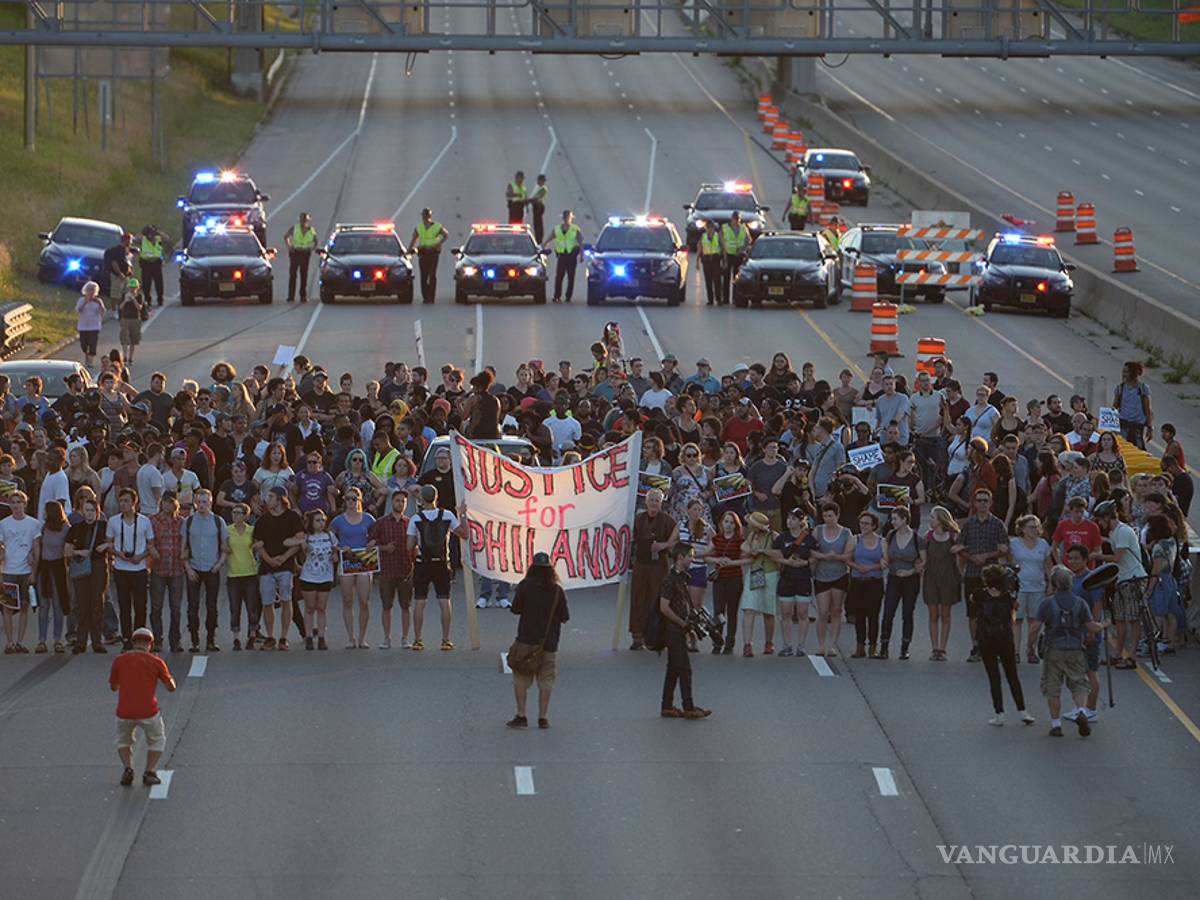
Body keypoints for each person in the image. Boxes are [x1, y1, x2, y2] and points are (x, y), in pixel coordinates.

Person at [1028, 566, 1109, 738]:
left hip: (1054, 650)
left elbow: (1035, 628)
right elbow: (1091, 626)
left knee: (1052, 687)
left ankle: (1056, 724)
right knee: (1079, 683)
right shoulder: (1080, 603)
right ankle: (1081, 710)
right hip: (1075, 649)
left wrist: (1030, 646)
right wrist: (1104, 625)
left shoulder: (1047, 603)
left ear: (1053, 584)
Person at [507, 551, 569, 729]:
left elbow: (516, 609)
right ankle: (543, 717)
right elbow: (564, 617)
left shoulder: (525, 586)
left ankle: (521, 714)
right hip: (549, 643)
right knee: (546, 679)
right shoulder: (557, 591)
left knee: (520, 678)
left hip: (526, 641)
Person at [109, 626, 176, 787]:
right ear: (150, 645)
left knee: (124, 741)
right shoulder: (156, 662)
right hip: (148, 710)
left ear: (133, 643)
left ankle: (128, 769)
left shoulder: (119, 660)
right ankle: (150, 771)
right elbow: (171, 687)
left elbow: (113, 687)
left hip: (124, 711)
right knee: (157, 740)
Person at [406, 484, 468, 651]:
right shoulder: (447, 515)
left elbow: (409, 545)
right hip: (441, 562)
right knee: (444, 600)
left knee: (419, 600)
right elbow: (464, 534)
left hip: (422, 563)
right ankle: (446, 639)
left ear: (421, 499)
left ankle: (418, 639)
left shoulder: (415, 519)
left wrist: (415, 552)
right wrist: (462, 513)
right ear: (436, 497)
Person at [973, 565, 1036, 727]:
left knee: (994, 677)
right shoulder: (1008, 597)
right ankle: (1023, 711)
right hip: (1006, 639)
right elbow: (1015, 608)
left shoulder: (980, 595)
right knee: (1012, 677)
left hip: (986, 640)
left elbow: (972, 600)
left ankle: (999, 713)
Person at [956, 488, 1009, 663]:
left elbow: (1004, 549)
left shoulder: (997, 524)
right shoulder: (969, 525)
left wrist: (987, 556)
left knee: (994, 612)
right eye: (979, 501)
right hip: (972, 573)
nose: (982, 504)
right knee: (973, 613)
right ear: (974, 503)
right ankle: (976, 645)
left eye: (985, 500)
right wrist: (972, 558)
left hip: (992, 575)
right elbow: (958, 548)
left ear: (991, 503)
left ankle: (994, 645)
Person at [659, 544, 712, 720]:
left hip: (679, 629)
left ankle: (666, 706)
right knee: (685, 669)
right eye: (690, 556)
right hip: (673, 630)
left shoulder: (682, 578)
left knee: (673, 669)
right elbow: (664, 607)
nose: (692, 559)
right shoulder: (669, 579)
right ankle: (688, 707)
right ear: (680, 558)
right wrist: (683, 624)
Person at [254, 486, 304, 651]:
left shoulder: (292, 518)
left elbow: (299, 541)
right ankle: (270, 636)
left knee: (286, 599)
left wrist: (284, 557)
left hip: (286, 565)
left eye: (271, 497)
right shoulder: (263, 519)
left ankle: (283, 636)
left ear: (281, 499)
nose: (267, 500)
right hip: (267, 566)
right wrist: (269, 559)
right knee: (267, 602)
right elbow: (257, 543)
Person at [103, 488, 154, 650]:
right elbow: (109, 544)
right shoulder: (114, 521)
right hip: (121, 568)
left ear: (134, 502)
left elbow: (151, 545)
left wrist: (142, 556)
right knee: (124, 607)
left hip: (139, 568)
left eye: (126, 501)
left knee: (140, 606)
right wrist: (118, 553)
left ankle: (140, 640)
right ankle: (126, 639)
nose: (123, 504)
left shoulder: (145, 521)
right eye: (121, 501)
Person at [628, 488, 678, 650]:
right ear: (646, 501)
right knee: (638, 599)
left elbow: (676, 540)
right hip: (641, 564)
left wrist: (664, 545)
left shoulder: (667, 521)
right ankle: (637, 636)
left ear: (661, 503)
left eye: (657, 500)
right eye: (652, 500)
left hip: (659, 566)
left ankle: (655, 637)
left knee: (656, 600)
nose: (654, 503)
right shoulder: (638, 519)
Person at [183, 489, 228, 653]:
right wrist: (187, 568)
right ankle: (194, 639)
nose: (201, 505)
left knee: (211, 605)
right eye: (199, 502)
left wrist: (220, 564)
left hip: (211, 568)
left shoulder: (218, 521)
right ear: (195, 503)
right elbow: (184, 548)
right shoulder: (188, 522)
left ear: (210, 503)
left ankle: (211, 638)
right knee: (192, 605)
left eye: (204, 502)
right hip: (194, 568)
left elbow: (225, 546)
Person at [331, 487, 376, 649]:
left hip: (363, 560)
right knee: (347, 600)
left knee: (364, 600)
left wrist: (372, 542)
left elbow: (376, 534)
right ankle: (351, 637)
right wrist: (338, 549)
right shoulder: (338, 520)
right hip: (347, 561)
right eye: (348, 499)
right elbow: (329, 536)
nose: (350, 502)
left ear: (359, 501)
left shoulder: (368, 518)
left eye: (354, 499)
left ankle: (362, 638)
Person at [65, 497, 109, 654]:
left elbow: (116, 541)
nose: (90, 514)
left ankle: (97, 641)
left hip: (98, 566)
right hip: (81, 566)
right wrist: (79, 552)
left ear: (97, 512)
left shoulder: (104, 527)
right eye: (87, 510)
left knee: (97, 603)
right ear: (82, 512)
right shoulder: (76, 528)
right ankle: (81, 640)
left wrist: (107, 545)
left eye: (92, 510)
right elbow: (67, 550)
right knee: (82, 604)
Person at [370, 490, 414, 649]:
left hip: (405, 569)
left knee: (406, 606)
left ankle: (405, 638)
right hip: (387, 570)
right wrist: (383, 548)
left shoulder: (410, 523)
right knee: (386, 606)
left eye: (403, 501)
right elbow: (371, 544)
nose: (400, 504)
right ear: (391, 502)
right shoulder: (381, 522)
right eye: (397, 501)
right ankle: (387, 638)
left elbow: (416, 543)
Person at [880, 506, 925, 660]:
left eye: (895, 519)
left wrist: (911, 571)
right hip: (894, 578)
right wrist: (883, 561)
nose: (892, 522)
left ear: (904, 519)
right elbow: (885, 555)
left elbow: (923, 562)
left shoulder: (916, 539)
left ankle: (904, 648)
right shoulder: (891, 535)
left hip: (910, 579)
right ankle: (884, 647)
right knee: (888, 612)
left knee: (907, 613)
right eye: (892, 519)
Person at [0, 491, 41, 654]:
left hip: (25, 571)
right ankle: (9, 642)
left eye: (19, 502)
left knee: (24, 606)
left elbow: (37, 549)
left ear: (24, 504)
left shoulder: (33, 524)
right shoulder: (4, 524)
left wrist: (34, 572)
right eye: (13, 503)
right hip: (9, 570)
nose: (16, 506)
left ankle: (20, 641)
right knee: (7, 607)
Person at [1010, 514, 1052, 662]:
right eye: (1031, 527)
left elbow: (1048, 566)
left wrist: (1051, 584)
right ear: (1022, 528)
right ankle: (1015, 652)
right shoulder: (1014, 543)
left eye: (1036, 527)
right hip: (1019, 587)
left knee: (1034, 621)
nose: (1034, 530)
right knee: (1017, 620)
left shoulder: (1043, 544)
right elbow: (1007, 561)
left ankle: (1030, 649)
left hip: (1037, 587)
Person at [148, 492, 186, 654]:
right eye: (165, 502)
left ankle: (175, 640)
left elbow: (186, 542)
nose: (167, 505)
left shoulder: (182, 522)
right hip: (159, 568)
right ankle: (157, 639)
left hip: (177, 568)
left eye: (171, 502)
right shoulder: (153, 520)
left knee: (175, 607)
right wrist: (152, 549)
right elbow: (148, 541)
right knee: (156, 607)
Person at [775, 509, 816, 657]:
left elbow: (815, 556)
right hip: (786, 578)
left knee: (802, 613)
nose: (789, 521)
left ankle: (801, 645)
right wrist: (788, 562)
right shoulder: (782, 538)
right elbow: (776, 556)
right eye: (788, 518)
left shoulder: (809, 538)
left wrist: (805, 562)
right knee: (785, 613)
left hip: (803, 578)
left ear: (801, 521)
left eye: (793, 519)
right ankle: (786, 644)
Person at [847, 511, 887, 658]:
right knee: (859, 614)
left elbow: (885, 562)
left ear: (874, 526)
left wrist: (870, 568)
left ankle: (873, 646)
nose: (863, 526)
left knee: (873, 615)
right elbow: (847, 558)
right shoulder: (855, 539)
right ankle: (860, 645)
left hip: (874, 581)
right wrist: (857, 567)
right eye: (861, 523)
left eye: (866, 523)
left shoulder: (882, 541)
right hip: (858, 580)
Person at [739, 511, 778, 657]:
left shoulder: (773, 536)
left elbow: (780, 553)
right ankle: (747, 644)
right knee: (749, 608)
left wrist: (764, 551)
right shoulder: (752, 536)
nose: (748, 526)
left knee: (769, 611)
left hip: (770, 573)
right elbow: (743, 548)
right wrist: (751, 551)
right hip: (755, 572)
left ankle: (769, 642)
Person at [225, 503, 260, 651]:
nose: (235, 516)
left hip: (250, 572)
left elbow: (258, 545)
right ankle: (236, 638)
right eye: (233, 513)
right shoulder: (227, 530)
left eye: (239, 513)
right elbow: (222, 546)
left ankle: (252, 634)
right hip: (233, 573)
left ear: (246, 515)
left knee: (252, 607)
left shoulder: (251, 531)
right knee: (235, 607)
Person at [410, 207, 449, 304]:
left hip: (433, 253)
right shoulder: (419, 227)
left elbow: (446, 235)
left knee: (432, 275)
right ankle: (425, 297)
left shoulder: (436, 226)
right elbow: (414, 239)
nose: (424, 217)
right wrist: (408, 250)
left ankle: (431, 297)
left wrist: (438, 243)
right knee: (423, 276)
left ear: (429, 216)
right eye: (423, 216)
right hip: (423, 253)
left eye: (426, 215)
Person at [1113, 360, 1153, 449]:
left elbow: (1148, 409)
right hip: (1123, 425)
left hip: (1137, 427)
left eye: (1126, 372)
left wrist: (1150, 428)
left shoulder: (1143, 388)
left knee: (1138, 450)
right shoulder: (1120, 388)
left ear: (1133, 372)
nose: (1124, 374)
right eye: (1123, 372)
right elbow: (1114, 408)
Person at [545, 210, 582, 303]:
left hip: (572, 256)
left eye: (569, 217)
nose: (567, 219)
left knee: (571, 277)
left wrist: (581, 255)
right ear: (563, 218)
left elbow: (581, 243)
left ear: (571, 218)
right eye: (566, 217)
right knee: (559, 277)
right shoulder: (557, 229)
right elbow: (549, 238)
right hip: (561, 256)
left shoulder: (575, 229)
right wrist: (543, 247)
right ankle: (557, 296)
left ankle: (568, 296)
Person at [718, 211, 751, 305]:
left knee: (737, 279)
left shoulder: (743, 228)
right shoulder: (724, 228)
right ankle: (725, 299)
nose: (736, 221)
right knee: (726, 278)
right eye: (735, 219)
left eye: (738, 219)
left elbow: (748, 240)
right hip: (727, 255)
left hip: (739, 256)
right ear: (731, 219)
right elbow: (721, 240)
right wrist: (723, 255)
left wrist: (743, 249)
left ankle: (736, 298)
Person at [284, 212, 317, 303]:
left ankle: (303, 296)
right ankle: (291, 296)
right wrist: (290, 247)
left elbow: (316, 240)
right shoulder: (295, 228)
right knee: (293, 275)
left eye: (305, 220)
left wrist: (312, 248)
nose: (303, 222)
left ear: (308, 221)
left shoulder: (311, 230)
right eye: (302, 220)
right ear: (300, 220)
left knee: (304, 275)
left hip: (305, 253)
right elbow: (286, 237)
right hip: (295, 252)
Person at [75, 282, 106, 368]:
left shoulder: (98, 301)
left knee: (92, 344)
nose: (91, 292)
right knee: (84, 344)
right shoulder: (81, 300)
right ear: (86, 290)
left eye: (93, 290)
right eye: (90, 290)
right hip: (83, 326)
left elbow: (102, 312)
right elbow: (78, 310)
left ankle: (90, 361)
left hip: (94, 326)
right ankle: (86, 355)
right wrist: (86, 302)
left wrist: (100, 305)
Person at [136, 225, 168, 307]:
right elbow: (135, 238)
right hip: (146, 264)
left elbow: (167, 238)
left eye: (152, 233)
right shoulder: (143, 240)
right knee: (146, 283)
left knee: (159, 283)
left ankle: (160, 299)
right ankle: (147, 300)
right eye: (149, 233)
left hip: (156, 263)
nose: (150, 236)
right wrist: (143, 233)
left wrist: (158, 232)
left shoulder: (158, 239)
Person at [117, 278, 146, 367]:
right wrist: (125, 300)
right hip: (125, 318)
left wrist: (133, 299)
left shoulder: (139, 296)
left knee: (134, 338)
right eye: (130, 287)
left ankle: (130, 357)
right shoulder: (124, 295)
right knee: (125, 337)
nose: (132, 289)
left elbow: (139, 308)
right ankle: (125, 356)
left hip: (135, 319)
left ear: (137, 287)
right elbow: (120, 307)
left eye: (134, 287)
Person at [698, 219, 723, 306]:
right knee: (708, 280)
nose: (709, 229)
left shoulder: (718, 236)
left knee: (717, 280)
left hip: (716, 260)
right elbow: (699, 248)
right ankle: (710, 299)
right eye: (708, 227)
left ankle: (719, 299)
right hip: (706, 260)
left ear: (713, 228)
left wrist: (725, 260)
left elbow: (723, 247)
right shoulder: (703, 236)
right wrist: (697, 262)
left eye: (711, 227)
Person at [529, 174, 548, 244]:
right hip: (537, 207)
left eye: (538, 180)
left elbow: (536, 199)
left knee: (538, 224)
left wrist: (528, 200)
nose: (537, 181)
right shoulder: (540, 188)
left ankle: (539, 239)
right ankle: (538, 238)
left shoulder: (543, 189)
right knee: (536, 224)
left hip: (538, 207)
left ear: (541, 181)